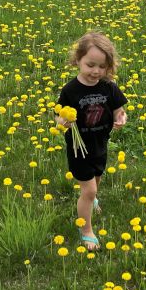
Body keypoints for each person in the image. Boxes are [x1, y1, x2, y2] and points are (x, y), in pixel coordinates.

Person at [56, 31, 128, 251]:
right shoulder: (70, 90)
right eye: (90, 65)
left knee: (97, 177)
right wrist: (63, 122)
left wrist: (120, 118)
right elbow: (58, 115)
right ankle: (85, 229)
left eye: (102, 66)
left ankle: (92, 198)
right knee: (88, 191)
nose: (96, 71)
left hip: (100, 143)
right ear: (78, 60)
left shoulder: (109, 87)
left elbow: (119, 109)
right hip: (79, 148)